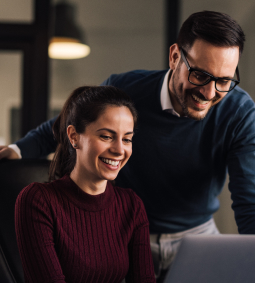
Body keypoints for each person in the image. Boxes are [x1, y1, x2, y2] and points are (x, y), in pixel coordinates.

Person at [1, 11, 255, 283]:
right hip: (125, 233)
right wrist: (18, 150)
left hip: (196, 237)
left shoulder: (241, 114)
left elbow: (252, 201)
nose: (209, 93)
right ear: (174, 57)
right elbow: (73, 121)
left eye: (223, 81)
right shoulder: (127, 89)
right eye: (199, 75)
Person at [14, 86, 156, 283]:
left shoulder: (131, 205)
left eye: (127, 139)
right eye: (106, 136)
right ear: (74, 136)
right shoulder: (38, 201)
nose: (119, 150)